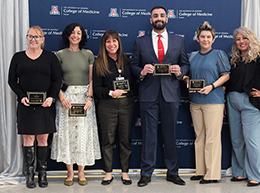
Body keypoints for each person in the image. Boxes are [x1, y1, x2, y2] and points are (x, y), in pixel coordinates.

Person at [130, 5, 190, 187]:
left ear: (167, 18)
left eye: (162, 15)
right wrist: (141, 71)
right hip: (148, 94)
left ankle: (173, 172)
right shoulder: (141, 41)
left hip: (171, 94)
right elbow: (133, 66)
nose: (159, 18)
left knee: (170, 135)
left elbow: (186, 64)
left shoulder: (178, 41)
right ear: (150, 20)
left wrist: (180, 71)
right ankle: (146, 173)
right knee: (148, 136)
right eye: (155, 15)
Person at [8, 26, 62, 188]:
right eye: (30, 36)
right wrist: (21, 96)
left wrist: (52, 98)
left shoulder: (50, 57)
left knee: (43, 138)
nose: (33, 39)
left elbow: (57, 80)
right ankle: (29, 174)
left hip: (45, 105)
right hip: (26, 105)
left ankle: (42, 174)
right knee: (28, 138)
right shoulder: (18, 57)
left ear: (43, 39)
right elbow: (12, 81)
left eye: (37, 36)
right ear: (26, 38)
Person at [226, 27, 260, 187]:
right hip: (232, 101)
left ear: (251, 39)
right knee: (237, 140)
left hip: (252, 104)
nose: (241, 42)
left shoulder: (258, 57)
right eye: (238, 39)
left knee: (252, 141)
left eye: (245, 38)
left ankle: (256, 175)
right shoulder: (234, 59)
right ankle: (239, 173)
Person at [50, 23, 101, 186]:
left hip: (84, 98)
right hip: (66, 98)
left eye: (78, 33)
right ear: (67, 35)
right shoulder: (60, 54)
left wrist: (89, 98)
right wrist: (61, 97)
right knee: (67, 135)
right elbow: (56, 79)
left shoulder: (88, 54)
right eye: (72, 33)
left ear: (82, 36)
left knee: (83, 136)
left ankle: (81, 172)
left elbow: (92, 79)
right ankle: (70, 172)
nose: (75, 35)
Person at [184, 21, 230, 184]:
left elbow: (226, 75)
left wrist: (211, 87)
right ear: (197, 38)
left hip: (214, 101)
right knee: (200, 137)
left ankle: (212, 174)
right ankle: (201, 171)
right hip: (195, 101)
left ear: (213, 39)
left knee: (212, 137)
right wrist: (187, 80)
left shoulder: (219, 54)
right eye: (202, 37)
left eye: (208, 37)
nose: (205, 39)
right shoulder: (192, 56)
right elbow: (186, 74)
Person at [93, 30, 134, 186]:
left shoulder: (126, 59)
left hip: (126, 104)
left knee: (125, 140)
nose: (112, 44)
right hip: (107, 105)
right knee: (107, 140)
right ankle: (108, 173)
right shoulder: (99, 62)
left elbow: (134, 82)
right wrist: (111, 92)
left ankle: (125, 173)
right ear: (104, 44)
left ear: (119, 43)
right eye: (108, 41)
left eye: (114, 41)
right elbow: (96, 88)